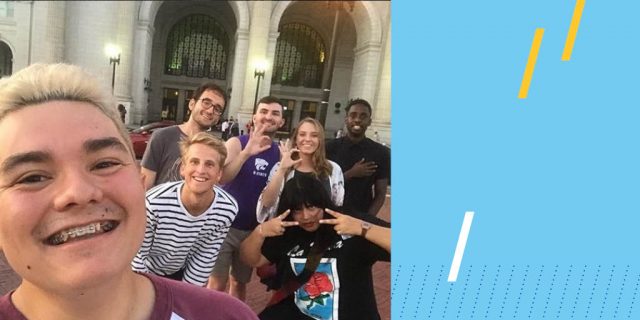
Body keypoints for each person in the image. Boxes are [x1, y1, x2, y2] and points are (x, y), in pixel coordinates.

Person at [0, 63, 257, 319]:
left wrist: (187, 299)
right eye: (32, 177)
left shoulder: (226, 316)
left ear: (137, 181)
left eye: (104, 163)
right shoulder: (159, 182)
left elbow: (203, 255)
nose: (78, 192)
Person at [240, 174, 390, 319]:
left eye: (311, 207)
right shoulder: (289, 230)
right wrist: (259, 232)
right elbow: (252, 260)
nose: (306, 216)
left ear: (323, 202)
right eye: (297, 210)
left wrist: (362, 228)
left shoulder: (349, 222)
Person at [132, 132, 238, 287]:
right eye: (194, 162)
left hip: (179, 271)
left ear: (219, 173)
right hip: (144, 271)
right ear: (183, 168)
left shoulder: (227, 209)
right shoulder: (154, 203)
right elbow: (138, 255)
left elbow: (204, 257)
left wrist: (187, 296)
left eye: (209, 164)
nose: (201, 170)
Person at [208, 96, 285, 301]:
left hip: (252, 232)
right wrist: (246, 153)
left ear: (281, 122)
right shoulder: (235, 142)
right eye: (264, 111)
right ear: (255, 117)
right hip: (224, 227)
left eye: (275, 113)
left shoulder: (281, 153)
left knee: (239, 283)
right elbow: (222, 177)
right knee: (216, 284)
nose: (268, 117)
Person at [257, 117, 344, 223]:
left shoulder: (333, 169)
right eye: (302, 134)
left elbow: (337, 206)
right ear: (296, 139)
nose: (307, 139)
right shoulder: (280, 167)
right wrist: (282, 169)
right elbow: (267, 204)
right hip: (285, 234)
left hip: (320, 234)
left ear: (320, 140)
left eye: (314, 135)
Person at [140, 82, 226, 190]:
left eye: (217, 109)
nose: (210, 111)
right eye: (206, 103)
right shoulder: (162, 137)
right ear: (192, 104)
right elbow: (145, 186)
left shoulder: (217, 147)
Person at [326, 99, 390, 216]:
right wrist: (351, 173)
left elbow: (381, 193)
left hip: (361, 215)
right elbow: (324, 184)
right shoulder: (329, 148)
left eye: (363, 116)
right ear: (346, 119)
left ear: (369, 121)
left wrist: (367, 219)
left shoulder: (381, 152)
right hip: (330, 214)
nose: (357, 120)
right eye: (353, 115)